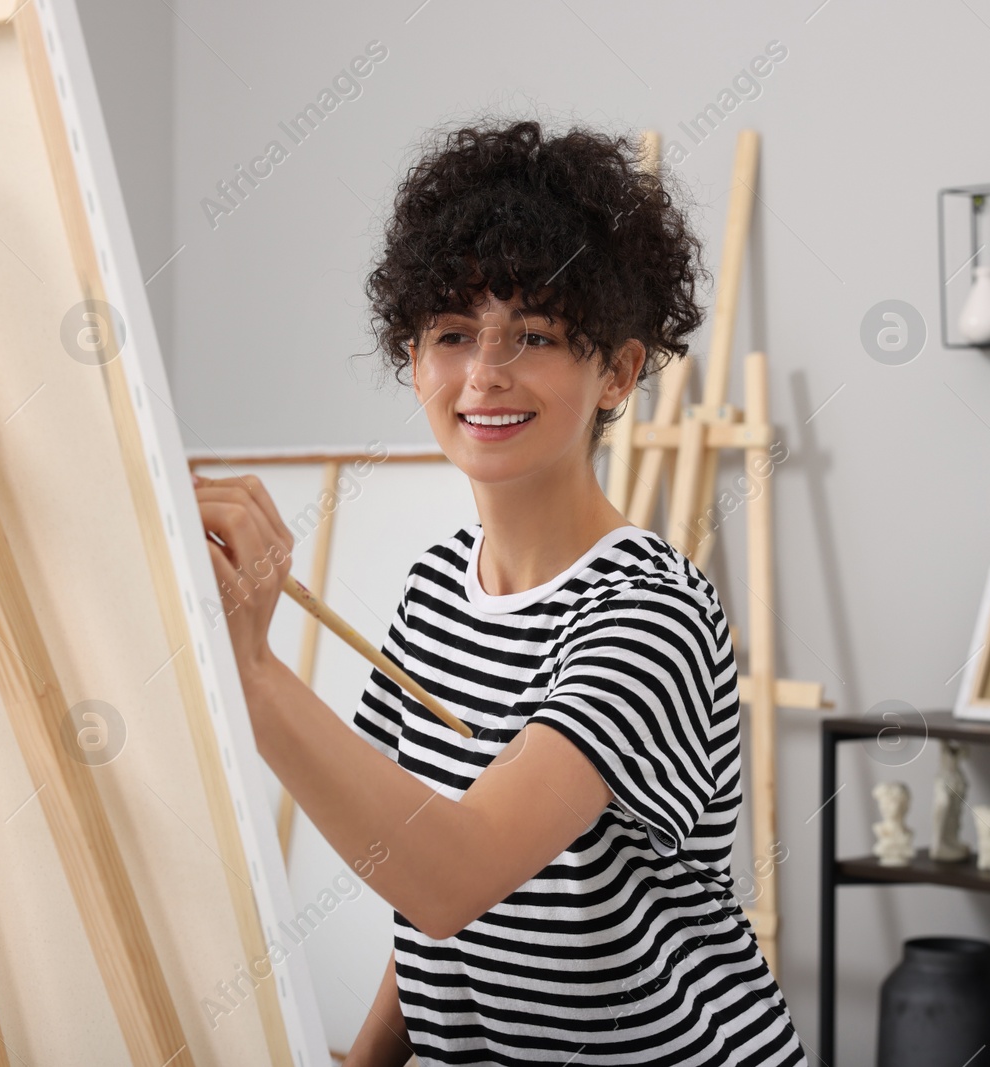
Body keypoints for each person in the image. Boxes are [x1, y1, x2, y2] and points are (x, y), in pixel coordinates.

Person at [194, 117, 806, 1066]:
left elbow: (458, 874)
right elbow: (422, 881)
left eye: (534, 335)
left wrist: (249, 667)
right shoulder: (438, 588)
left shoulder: (654, 612)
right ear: (413, 356)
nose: (483, 374)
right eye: (450, 333)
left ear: (620, 372)